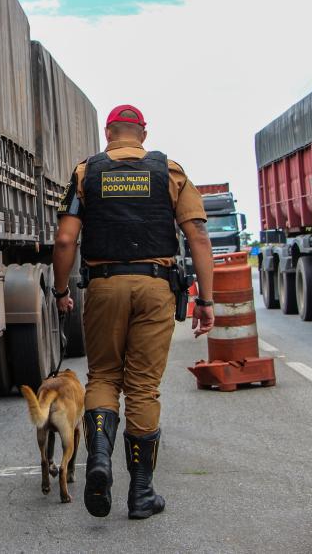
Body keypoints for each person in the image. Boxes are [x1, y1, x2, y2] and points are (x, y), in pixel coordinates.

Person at [51, 104, 215, 519]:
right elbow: (197, 234)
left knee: (104, 376)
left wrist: (59, 291)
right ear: (143, 133)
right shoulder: (170, 171)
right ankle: (141, 494)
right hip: (155, 286)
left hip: (104, 286)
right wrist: (206, 300)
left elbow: (66, 240)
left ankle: (100, 460)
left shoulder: (86, 172)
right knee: (142, 387)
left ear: (109, 133)